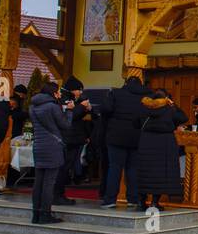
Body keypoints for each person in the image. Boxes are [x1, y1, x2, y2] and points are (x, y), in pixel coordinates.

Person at [133, 89, 186, 211]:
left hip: (146, 142)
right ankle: (154, 203)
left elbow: (135, 123)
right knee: (160, 174)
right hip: (165, 144)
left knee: (144, 173)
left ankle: (141, 202)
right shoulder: (169, 109)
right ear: (165, 99)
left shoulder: (144, 109)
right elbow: (183, 118)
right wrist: (173, 105)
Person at [101, 75, 148, 208]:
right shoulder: (146, 95)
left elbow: (106, 109)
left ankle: (110, 199)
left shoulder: (116, 93)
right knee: (132, 169)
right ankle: (133, 199)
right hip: (137, 135)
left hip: (116, 135)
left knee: (115, 167)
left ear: (126, 83)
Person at [27, 81, 69, 225]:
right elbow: (65, 125)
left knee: (38, 182)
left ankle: (36, 214)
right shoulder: (53, 106)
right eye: (58, 91)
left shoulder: (32, 107)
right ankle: (46, 214)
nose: (60, 94)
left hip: (38, 145)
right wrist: (68, 111)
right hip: (52, 146)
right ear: (53, 92)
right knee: (49, 183)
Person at [55, 77, 92, 205]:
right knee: (63, 168)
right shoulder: (65, 99)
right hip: (68, 139)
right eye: (79, 90)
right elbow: (69, 117)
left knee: (66, 167)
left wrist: (85, 109)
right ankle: (57, 195)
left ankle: (59, 194)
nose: (80, 93)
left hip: (73, 138)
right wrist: (81, 107)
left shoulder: (71, 98)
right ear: (72, 89)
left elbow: (74, 116)